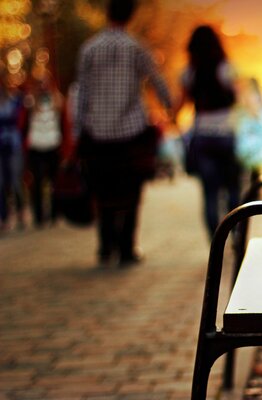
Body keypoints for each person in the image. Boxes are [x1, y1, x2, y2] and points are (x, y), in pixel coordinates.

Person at [76, 0, 173, 268]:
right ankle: (127, 248)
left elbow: (81, 92)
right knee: (132, 189)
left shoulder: (89, 48)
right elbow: (156, 79)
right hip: (131, 132)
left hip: (97, 133)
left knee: (103, 188)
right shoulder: (135, 47)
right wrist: (169, 105)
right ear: (130, 15)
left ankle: (105, 246)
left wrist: (78, 130)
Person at [177, 25, 240, 237]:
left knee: (209, 194)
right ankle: (236, 237)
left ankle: (216, 246)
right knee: (233, 189)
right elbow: (237, 98)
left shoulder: (189, 73)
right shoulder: (225, 68)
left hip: (202, 137)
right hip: (226, 136)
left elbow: (181, 105)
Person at [24, 75, 70, 228]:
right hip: (36, 146)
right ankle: (39, 216)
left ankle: (54, 214)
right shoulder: (30, 102)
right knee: (37, 182)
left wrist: (65, 149)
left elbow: (65, 126)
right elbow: (23, 126)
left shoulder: (58, 101)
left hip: (53, 145)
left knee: (54, 182)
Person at [0, 75, 26, 232]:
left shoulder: (15, 100)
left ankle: (20, 212)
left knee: (16, 181)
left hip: (14, 146)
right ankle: (4, 218)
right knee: (0, 183)